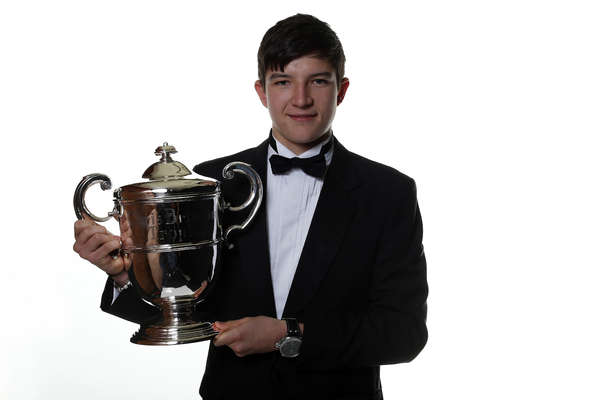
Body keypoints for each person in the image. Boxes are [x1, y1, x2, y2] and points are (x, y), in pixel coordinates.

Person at [73, 13, 428, 400]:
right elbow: (183, 313)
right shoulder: (212, 183)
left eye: (318, 81)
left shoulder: (388, 193)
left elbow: (404, 333)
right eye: (283, 82)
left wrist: (288, 334)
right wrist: (125, 275)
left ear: (341, 90)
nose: (301, 99)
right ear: (262, 92)